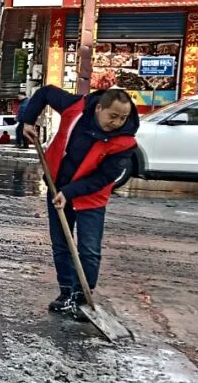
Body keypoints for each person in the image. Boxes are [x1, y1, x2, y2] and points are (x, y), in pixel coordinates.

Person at [21, 85, 138, 319]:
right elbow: (45, 93)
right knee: (62, 244)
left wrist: (70, 192)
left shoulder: (125, 142)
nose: (117, 122)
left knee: (89, 250)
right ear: (99, 108)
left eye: (123, 118)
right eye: (113, 116)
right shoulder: (76, 107)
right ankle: (66, 293)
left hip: (91, 197)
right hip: (57, 186)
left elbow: (104, 177)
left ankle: (82, 297)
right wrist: (27, 120)